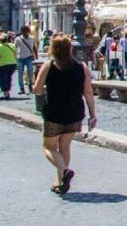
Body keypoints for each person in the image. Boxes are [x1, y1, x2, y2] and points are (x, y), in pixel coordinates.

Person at [32, 34, 97, 195]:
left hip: (54, 112)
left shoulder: (49, 66)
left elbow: (37, 89)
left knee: (48, 147)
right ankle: (60, 182)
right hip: (75, 112)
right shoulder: (82, 67)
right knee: (65, 147)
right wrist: (92, 114)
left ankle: (64, 171)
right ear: (71, 49)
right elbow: (88, 93)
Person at [0, 32, 17, 100]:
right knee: (8, 78)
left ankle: (5, 93)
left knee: (1, 79)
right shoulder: (12, 45)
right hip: (12, 64)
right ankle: (8, 91)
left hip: (2, 64)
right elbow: (15, 55)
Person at [14, 26, 37, 94]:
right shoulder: (18, 39)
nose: (24, 32)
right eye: (23, 31)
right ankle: (22, 88)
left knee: (30, 72)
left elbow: (34, 47)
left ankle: (30, 86)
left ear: (28, 31)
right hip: (20, 58)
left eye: (26, 31)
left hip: (29, 57)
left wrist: (36, 56)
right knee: (20, 74)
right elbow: (14, 48)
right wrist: (15, 57)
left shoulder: (32, 38)